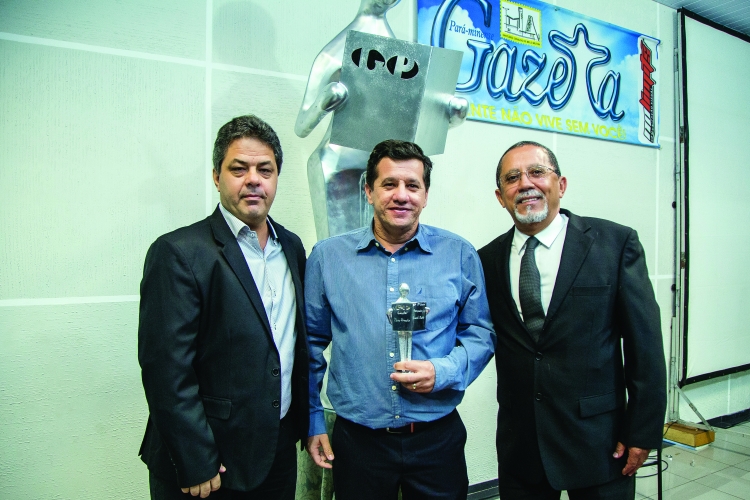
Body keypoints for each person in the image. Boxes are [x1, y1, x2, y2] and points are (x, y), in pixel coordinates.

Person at [304, 139, 496, 499]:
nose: (401, 195)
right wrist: (313, 419)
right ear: (368, 191)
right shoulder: (328, 258)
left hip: (436, 440)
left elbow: (480, 334)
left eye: (412, 185)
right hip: (359, 443)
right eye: (389, 184)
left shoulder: (459, 255)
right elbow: (310, 345)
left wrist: (443, 371)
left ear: (425, 195)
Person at [478, 141, 667, 500]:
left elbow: (645, 346)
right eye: (512, 178)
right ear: (500, 197)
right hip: (522, 446)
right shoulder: (485, 260)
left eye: (537, 172)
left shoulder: (614, 244)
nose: (526, 183)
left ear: (561, 185)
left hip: (600, 441)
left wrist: (642, 431)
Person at [138, 115, 309, 499]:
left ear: (276, 178)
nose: (253, 179)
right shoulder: (179, 253)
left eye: (265, 169)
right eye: (239, 169)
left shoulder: (292, 247)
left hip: (277, 451)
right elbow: (166, 370)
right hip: (209, 461)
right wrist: (194, 458)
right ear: (217, 177)